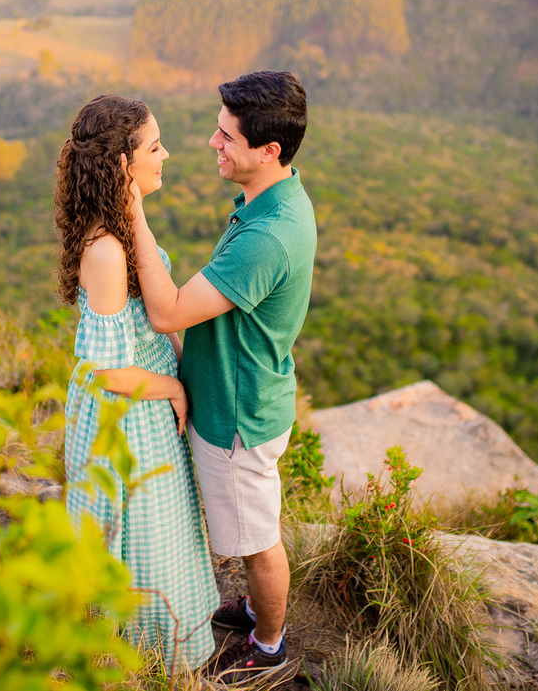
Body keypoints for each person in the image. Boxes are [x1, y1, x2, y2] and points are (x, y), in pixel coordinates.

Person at [128, 70, 316, 684]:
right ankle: (258, 614)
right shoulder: (274, 199)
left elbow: (167, 311)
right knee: (243, 528)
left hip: (238, 417)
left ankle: (269, 647)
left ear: (270, 152)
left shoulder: (269, 236)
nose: (212, 142)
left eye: (226, 137)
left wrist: (131, 207)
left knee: (258, 540)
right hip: (238, 396)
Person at [54, 94, 219, 672]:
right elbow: (105, 369)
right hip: (125, 416)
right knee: (145, 541)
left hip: (143, 409)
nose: (166, 155)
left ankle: (161, 657)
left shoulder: (123, 228)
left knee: (164, 534)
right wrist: (174, 388)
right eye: (154, 147)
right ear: (123, 164)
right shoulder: (105, 251)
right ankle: (145, 664)